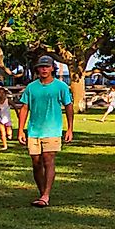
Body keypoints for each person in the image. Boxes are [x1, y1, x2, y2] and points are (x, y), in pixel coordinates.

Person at [19, 58, 76, 207]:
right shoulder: (31, 87)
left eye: (47, 67)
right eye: (41, 67)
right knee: (36, 162)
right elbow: (24, 108)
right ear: (37, 69)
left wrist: (70, 128)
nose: (44, 69)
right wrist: (20, 130)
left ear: (52, 69)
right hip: (34, 130)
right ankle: (42, 192)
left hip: (52, 129)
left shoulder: (61, 87)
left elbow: (69, 107)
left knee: (48, 160)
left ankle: (46, 195)